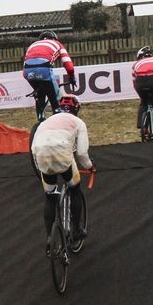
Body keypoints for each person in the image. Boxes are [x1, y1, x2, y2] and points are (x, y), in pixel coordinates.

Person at [30, 94, 94, 250]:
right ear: (76, 109)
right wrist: (90, 166)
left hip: (40, 154)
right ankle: (77, 230)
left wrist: (41, 171)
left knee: (50, 197)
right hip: (62, 153)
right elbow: (81, 153)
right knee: (75, 188)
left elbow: (33, 149)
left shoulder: (45, 123)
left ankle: (50, 238)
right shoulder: (78, 122)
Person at [21, 30, 76, 121]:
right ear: (54, 38)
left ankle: (40, 117)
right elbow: (68, 65)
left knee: (40, 93)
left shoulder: (33, 45)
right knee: (53, 95)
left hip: (27, 72)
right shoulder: (57, 44)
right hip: (44, 70)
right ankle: (56, 111)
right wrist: (72, 77)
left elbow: (26, 63)